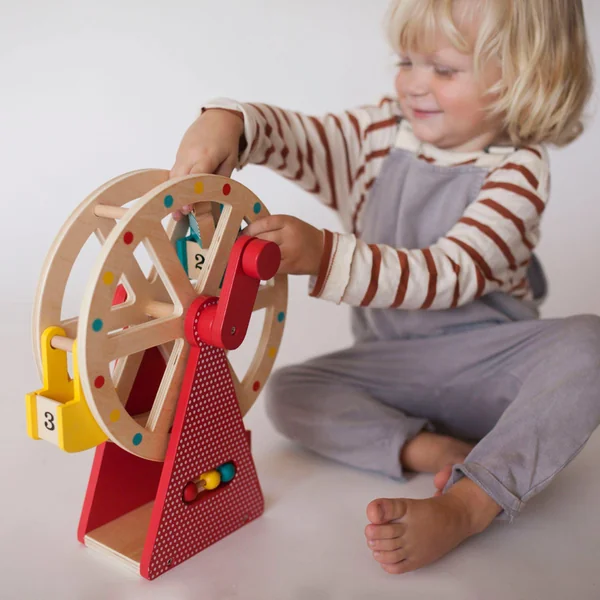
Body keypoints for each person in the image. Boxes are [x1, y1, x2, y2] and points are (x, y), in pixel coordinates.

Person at [170, 0, 599, 575]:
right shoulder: (380, 133)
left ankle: (469, 504)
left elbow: (446, 274)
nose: (415, 84)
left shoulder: (519, 171)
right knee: (289, 392)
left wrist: (324, 256)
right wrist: (233, 121)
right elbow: (304, 139)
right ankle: (424, 447)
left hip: (491, 373)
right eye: (406, 61)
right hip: (392, 368)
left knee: (588, 347)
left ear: (526, 77)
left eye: (444, 69)